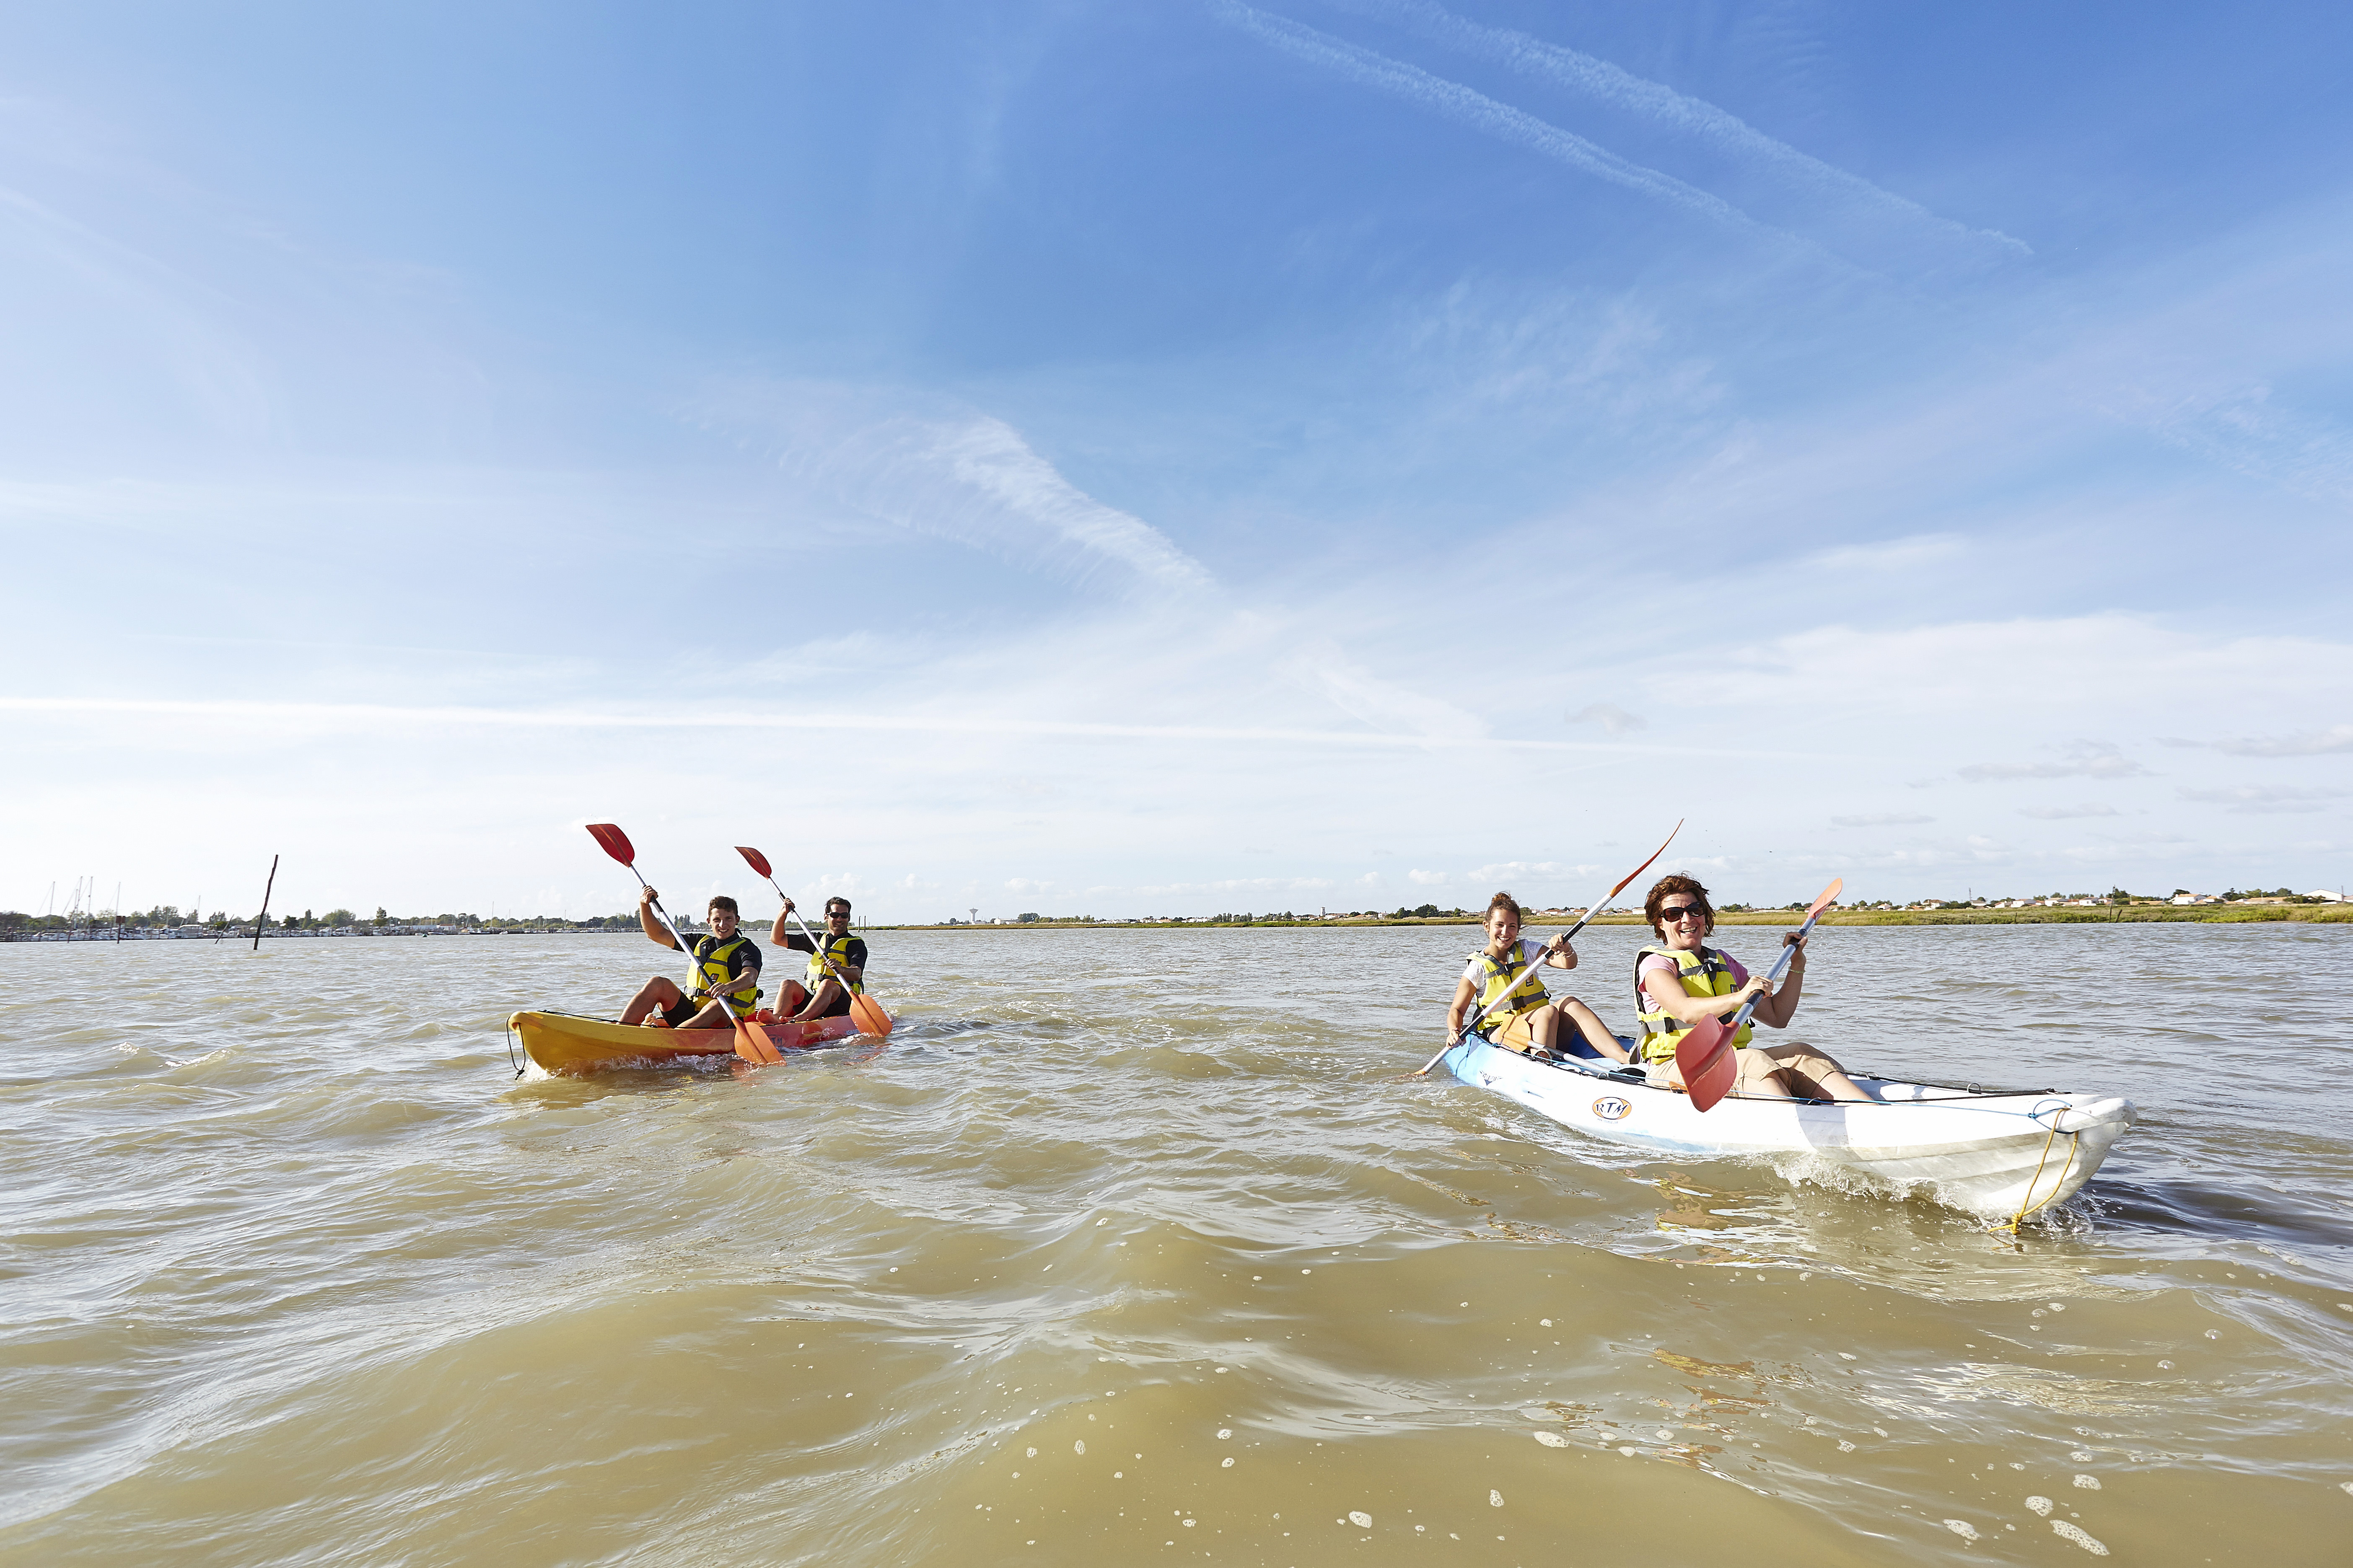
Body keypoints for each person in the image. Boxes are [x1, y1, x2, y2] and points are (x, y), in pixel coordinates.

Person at [1633, 873, 1870, 1101]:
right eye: (1674, 914)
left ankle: (1867, 1113)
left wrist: (1797, 963)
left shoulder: (1723, 962)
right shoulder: (1655, 964)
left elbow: (1778, 1017)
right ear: (1660, 922)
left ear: (1704, 915)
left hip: (1730, 1058)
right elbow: (1686, 1011)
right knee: (1752, 1059)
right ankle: (1789, 1125)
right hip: (1675, 1067)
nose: (1687, 919)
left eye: (1695, 910)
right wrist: (1740, 997)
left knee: (1801, 1053)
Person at [1444, 891, 1629, 1061]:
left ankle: (1624, 1057)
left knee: (1570, 1003)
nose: (1505, 932)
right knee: (1548, 1011)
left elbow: (1568, 964)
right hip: (1504, 1032)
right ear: (1487, 927)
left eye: (1512, 926)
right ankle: (1542, 1063)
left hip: (1542, 1027)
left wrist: (1566, 949)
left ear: (1518, 929)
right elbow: (1457, 1011)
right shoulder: (1478, 967)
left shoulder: (1528, 950)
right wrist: (1454, 1030)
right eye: (1499, 925)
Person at [619, 890, 762, 1029]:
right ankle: (620, 1031)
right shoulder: (700, 942)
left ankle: (674, 1039)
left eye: (728, 919)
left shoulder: (747, 949)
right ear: (709, 921)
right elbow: (657, 934)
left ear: (737, 920)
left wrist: (729, 987)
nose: (722, 925)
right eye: (717, 920)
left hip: (726, 1019)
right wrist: (644, 905)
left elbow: (750, 977)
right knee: (658, 983)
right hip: (691, 1014)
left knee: (717, 1005)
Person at [769, 895, 869, 1022]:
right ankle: (777, 1019)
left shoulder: (856, 945)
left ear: (848, 918)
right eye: (835, 915)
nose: (840, 919)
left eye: (844, 916)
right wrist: (783, 913)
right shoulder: (816, 940)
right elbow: (777, 939)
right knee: (788, 984)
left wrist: (841, 969)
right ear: (826, 917)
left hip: (842, 1003)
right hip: (816, 999)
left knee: (827, 984)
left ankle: (801, 1019)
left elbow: (856, 974)